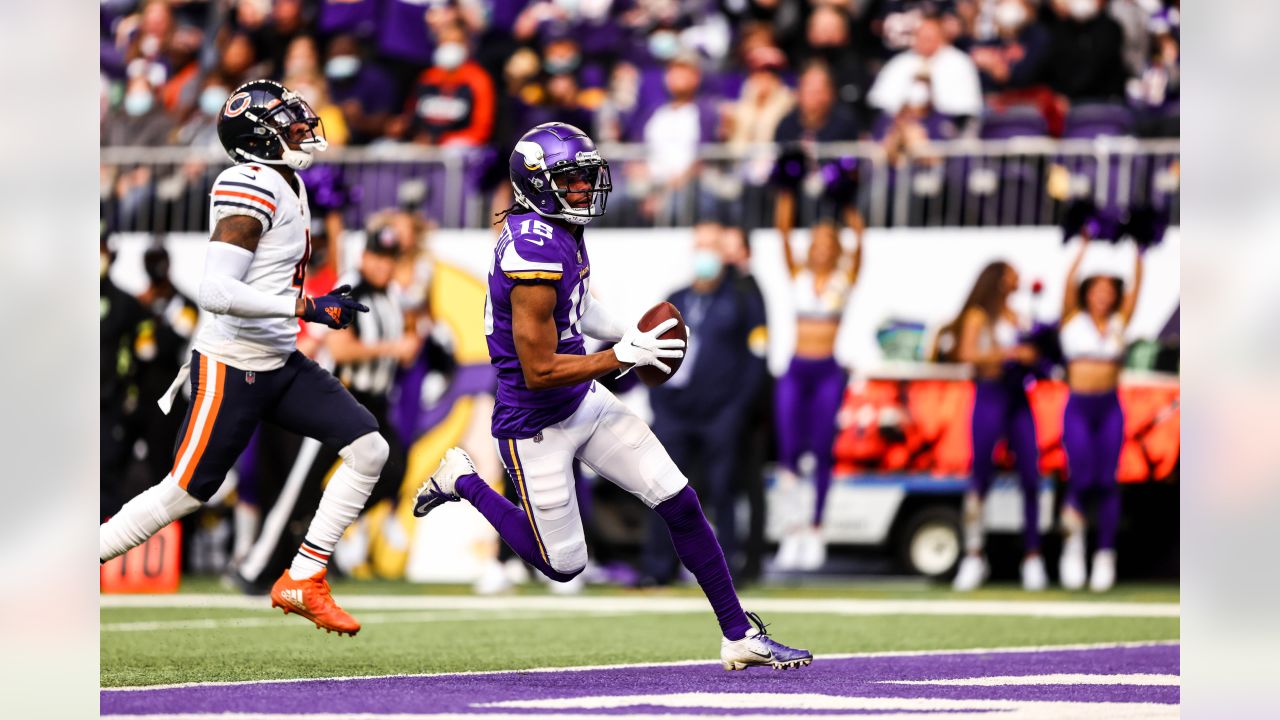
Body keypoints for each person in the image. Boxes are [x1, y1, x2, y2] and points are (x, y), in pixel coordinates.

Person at [413, 122, 811, 670]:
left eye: (584, 177)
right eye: (571, 180)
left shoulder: (559, 230)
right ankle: (462, 479)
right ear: (537, 183)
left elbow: (577, 309)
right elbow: (539, 369)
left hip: (583, 400)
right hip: (535, 420)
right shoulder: (530, 251)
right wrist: (626, 356)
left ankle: (739, 632)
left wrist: (631, 334)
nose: (583, 189)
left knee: (679, 498)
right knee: (563, 565)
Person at [99, 80, 388, 637]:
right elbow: (215, 291)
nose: (303, 128)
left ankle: (303, 576)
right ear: (259, 137)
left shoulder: (287, 180)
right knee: (181, 495)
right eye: (289, 122)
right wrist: (305, 305)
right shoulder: (249, 182)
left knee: (368, 448)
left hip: (279, 360)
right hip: (232, 364)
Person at [644, 223, 770, 584]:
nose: (705, 253)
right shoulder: (675, 299)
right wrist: (660, 403)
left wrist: (736, 410)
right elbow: (650, 354)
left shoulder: (742, 299)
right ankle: (657, 568)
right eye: (699, 245)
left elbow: (756, 358)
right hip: (675, 413)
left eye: (712, 246)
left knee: (722, 491)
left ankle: (723, 572)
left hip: (721, 414)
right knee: (662, 491)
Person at [936, 261, 1045, 592]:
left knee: (1031, 475)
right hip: (990, 396)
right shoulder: (979, 315)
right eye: (1012, 274)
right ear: (998, 280)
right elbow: (967, 353)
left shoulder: (1018, 315)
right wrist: (1010, 353)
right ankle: (973, 553)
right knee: (981, 475)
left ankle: (1032, 555)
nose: (1018, 279)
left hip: (1018, 399)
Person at [773, 217, 863, 571]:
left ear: (838, 248)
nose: (822, 247)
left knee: (823, 450)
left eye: (830, 241)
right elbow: (782, 229)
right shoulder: (798, 275)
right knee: (789, 451)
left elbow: (861, 251)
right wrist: (786, 191)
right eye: (817, 240)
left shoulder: (844, 280)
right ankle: (791, 530)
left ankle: (816, 529)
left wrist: (855, 223)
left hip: (828, 372)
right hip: (796, 371)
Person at [1057, 241, 1143, 592]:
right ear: (1087, 292)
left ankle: (1105, 554)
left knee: (1108, 481)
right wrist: (1083, 246)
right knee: (1080, 477)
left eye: (1110, 289)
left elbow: (1138, 288)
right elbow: (1067, 283)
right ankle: (1074, 546)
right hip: (1079, 405)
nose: (1104, 295)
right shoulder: (1072, 319)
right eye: (1097, 288)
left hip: (1109, 407)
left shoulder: (1120, 323)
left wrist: (1138, 249)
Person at [867, 16, 983, 120]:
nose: (924, 42)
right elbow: (879, 101)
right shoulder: (900, 62)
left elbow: (966, 107)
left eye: (929, 37)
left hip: (944, 127)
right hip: (901, 123)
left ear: (942, 38)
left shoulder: (959, 63)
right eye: (920, 37)